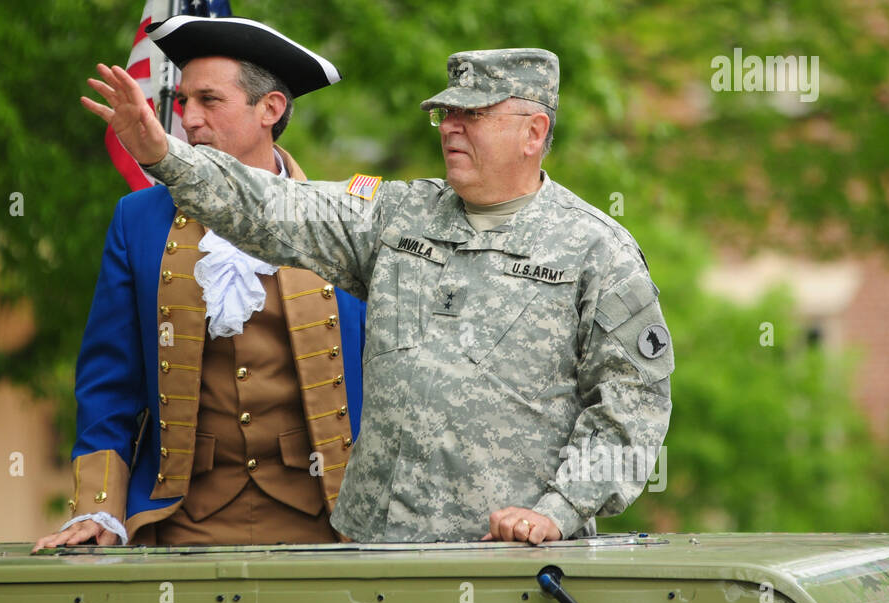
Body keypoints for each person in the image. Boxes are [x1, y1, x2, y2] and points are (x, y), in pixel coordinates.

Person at [83, 43, 673, 547]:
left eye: (473, 116)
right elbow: (270, 209)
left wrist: (559, 510)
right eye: (444, 115)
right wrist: (164, 155)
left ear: (533, 131)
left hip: (510, 569)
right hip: (375, 561)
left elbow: (632, 412)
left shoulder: (598, 251)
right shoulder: (395, 215)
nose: (450, 127)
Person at [34, 16, 365, 552]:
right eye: (183, 101)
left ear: (270, 110)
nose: (188, 119)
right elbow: (109, 383)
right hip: (181, 520)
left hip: (327, 519)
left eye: (209, 100)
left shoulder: (346, 214)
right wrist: (98, 507)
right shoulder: (136, 220)